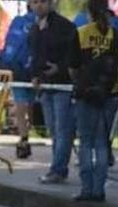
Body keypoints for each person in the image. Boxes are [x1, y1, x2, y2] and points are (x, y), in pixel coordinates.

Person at [72, 0, 118, 201]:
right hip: (109, 94)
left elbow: (73, 64)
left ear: (89, 11)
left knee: (86, 141)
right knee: (102, 142)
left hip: (86, 94)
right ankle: (99, 189)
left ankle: (87, 188)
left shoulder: (82, 33)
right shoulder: (116, 35)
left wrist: (80, 83)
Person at [30, 0, 80, 185]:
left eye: (42, 2)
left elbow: (73, 55)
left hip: (62, 85)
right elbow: (34, 55)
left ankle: (58, 169)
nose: (38, 6)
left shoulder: (65, 26)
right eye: (35, 2)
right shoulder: (35, 27)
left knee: (63, 130)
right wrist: (35, 75)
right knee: (53, 129)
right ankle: (57, 167)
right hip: (45, 86)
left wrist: (59, 68)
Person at [0, 4, 37, 159]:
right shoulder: (42, 21)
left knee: (21, 104)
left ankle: (24, 138)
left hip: (16, 69)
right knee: (32, 104)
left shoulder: (18, 21)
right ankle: (30, 130)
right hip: (35, 71)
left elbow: (9, 45)